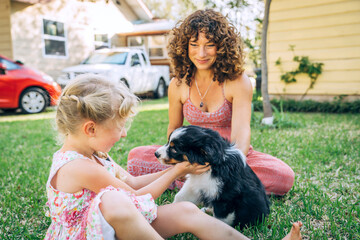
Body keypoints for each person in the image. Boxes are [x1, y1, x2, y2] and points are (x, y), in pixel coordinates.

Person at [45, 73, 259, 239]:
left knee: (186, 209)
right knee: (113, 200)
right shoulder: (78, 167)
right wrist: (176, 170)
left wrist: (178, 171)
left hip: (114, 226)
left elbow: (133, 182)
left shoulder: (97, 155)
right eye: (120, 127)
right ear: (91, 129)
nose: (124, 133)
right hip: (88, 235)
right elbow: (135, 199)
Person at [127, 9, 295, 196]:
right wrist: (182, 164)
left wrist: (224, 166)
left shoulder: (238, 81)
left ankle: (192, 183)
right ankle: (201, 182)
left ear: (222, 47)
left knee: (283, 176)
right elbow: (173, 128)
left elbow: (241, 135)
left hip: (228, 157)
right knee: (136, 158)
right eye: (194, 44)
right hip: (191, 156)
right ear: (185, 46)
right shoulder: (178, 84)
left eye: (210, 45)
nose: (201, 53)